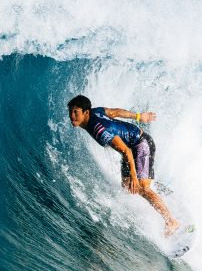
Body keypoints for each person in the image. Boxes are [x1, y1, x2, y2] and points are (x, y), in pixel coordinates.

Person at [67, 95, 180, 236]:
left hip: (141, 144)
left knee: (143, 189)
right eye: (71, 111)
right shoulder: (96, 112)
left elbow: (126, 151)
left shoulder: (100, 130)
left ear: (86, 112)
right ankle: (149, 187)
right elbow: (116, 112)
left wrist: (134, 176)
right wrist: (138, 116)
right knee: (127, 187)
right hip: (131, 148)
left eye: (75, 112)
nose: (72, 116)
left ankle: (170, 221)